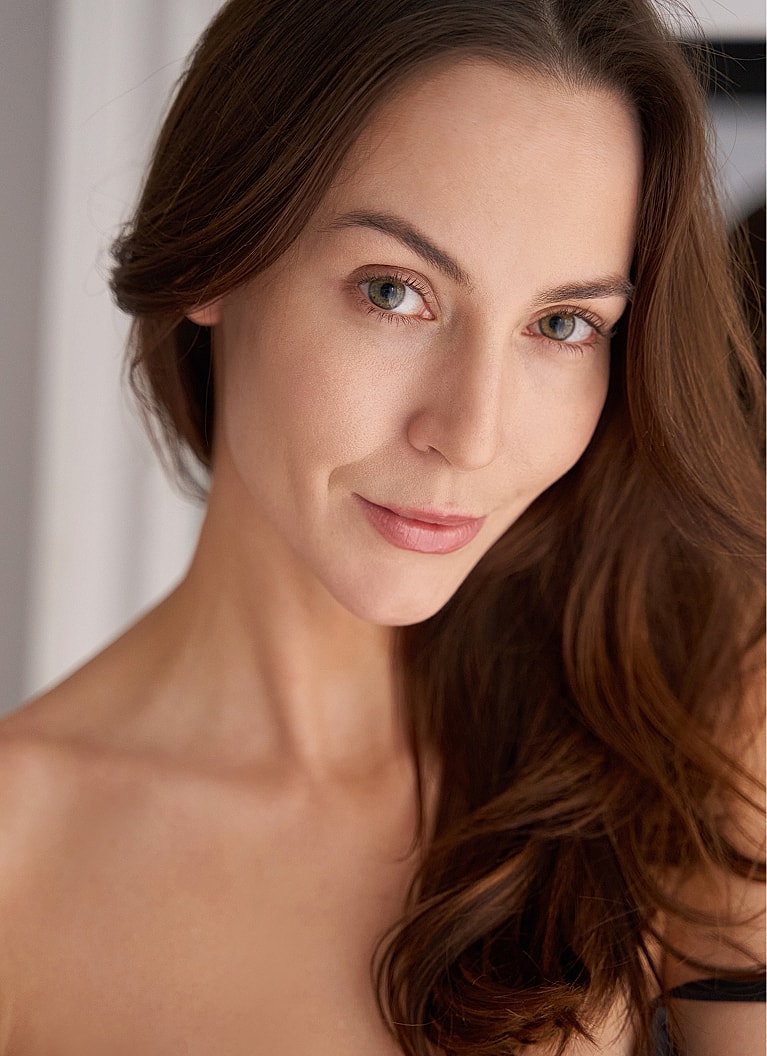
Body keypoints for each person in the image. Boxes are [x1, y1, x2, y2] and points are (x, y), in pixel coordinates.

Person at [0, 0, 763, 1053]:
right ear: (219, 255)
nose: (470, 435)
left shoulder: (687, 705)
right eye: (394, 293)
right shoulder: (19, 862)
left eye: (561, 324)